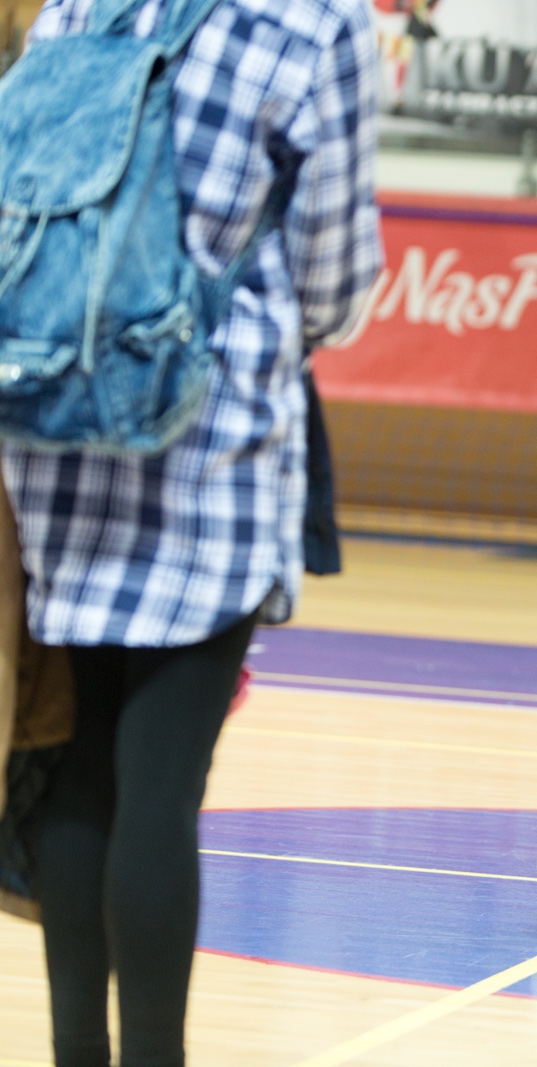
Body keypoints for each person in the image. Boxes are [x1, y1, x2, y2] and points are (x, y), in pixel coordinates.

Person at [9, 0, 381, 1063]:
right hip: (201, 428)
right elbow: (333, 280)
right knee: (162, 785)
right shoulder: (314, 21)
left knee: (80, 766)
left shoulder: (77, 2)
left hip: (52, 412)